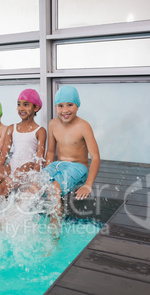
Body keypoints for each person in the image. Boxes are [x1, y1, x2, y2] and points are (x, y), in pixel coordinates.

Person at [41, 85, 100, 227]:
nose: (65, 110)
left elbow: (96, 157)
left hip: (78, 167)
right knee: (33, 184)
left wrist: (88, 185)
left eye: (70, 105)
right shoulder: (53, 124)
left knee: (53, 190)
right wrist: (46, 172)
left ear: (77, 106)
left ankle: (54, 235)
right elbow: (50, 151)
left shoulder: (83, 126)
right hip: (58, 165)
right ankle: (12, 219)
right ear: (56, 107)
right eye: (60, 106)